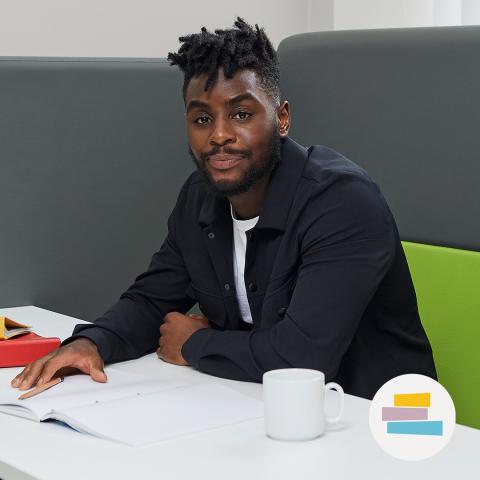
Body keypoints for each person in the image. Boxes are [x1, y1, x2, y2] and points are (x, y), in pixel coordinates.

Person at [11, 18, 436, 399]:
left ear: (282, 118)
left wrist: (194, 345)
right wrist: (91, 344)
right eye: (201, 119)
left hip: (388, 421)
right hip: (266, 409)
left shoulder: (343, 201)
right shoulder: (201, 196)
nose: (219, 135)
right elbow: (151, 298)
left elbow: (304, 357)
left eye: (241, 114)